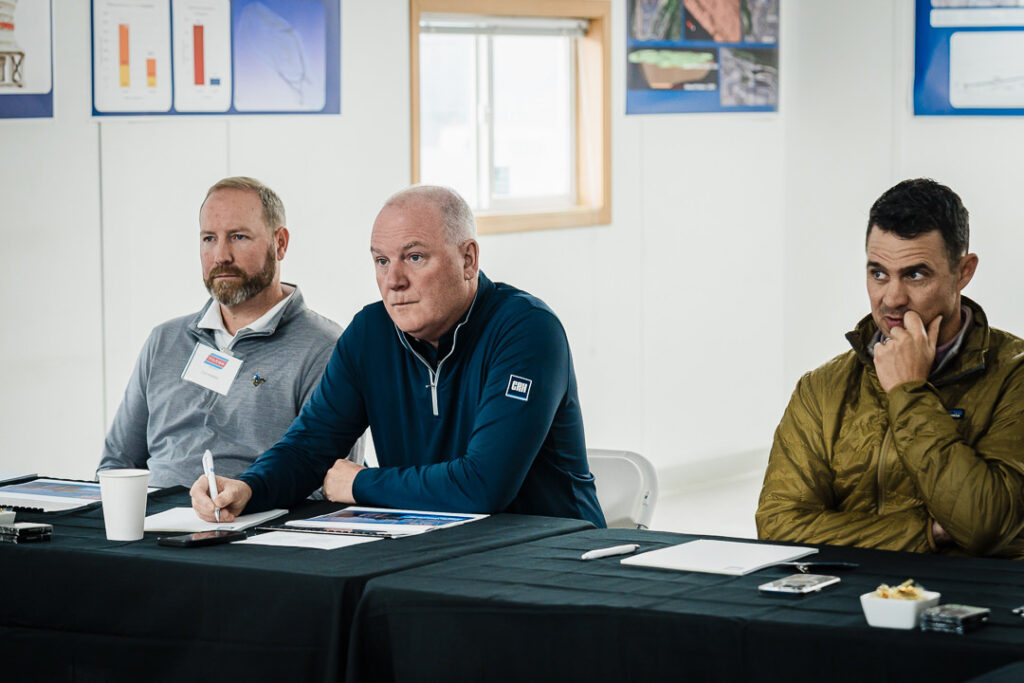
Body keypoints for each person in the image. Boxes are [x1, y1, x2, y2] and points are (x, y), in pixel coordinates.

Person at [191, 185, 605, 528]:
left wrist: (362, 484)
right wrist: (249, 488)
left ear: (468, 260)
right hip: (429, 552)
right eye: (381, 261)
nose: (394, 281)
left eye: (415, 257)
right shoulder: (369, 334)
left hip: (551, 553)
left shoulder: (526, 329)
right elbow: (308, 449)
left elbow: (484, 486)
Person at [756, 178, 1024, 557]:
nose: (892, 298)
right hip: (851, 601)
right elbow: (779, 525)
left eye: (915, 274)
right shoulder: (823, 387)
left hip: (974, 603)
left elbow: (983, 525)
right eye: (878, 273)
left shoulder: (1014, 376)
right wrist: (930, 532)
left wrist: (908, 392)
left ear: (963, 271)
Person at [98, 176, 360, 488]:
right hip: (150, 527)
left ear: (280, 244)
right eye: (209, 238)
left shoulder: (326, 349)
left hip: (252, 524)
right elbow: (117, 463)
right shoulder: (164, 341)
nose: (221, 255)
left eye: (238, 237)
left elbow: (331, 484)